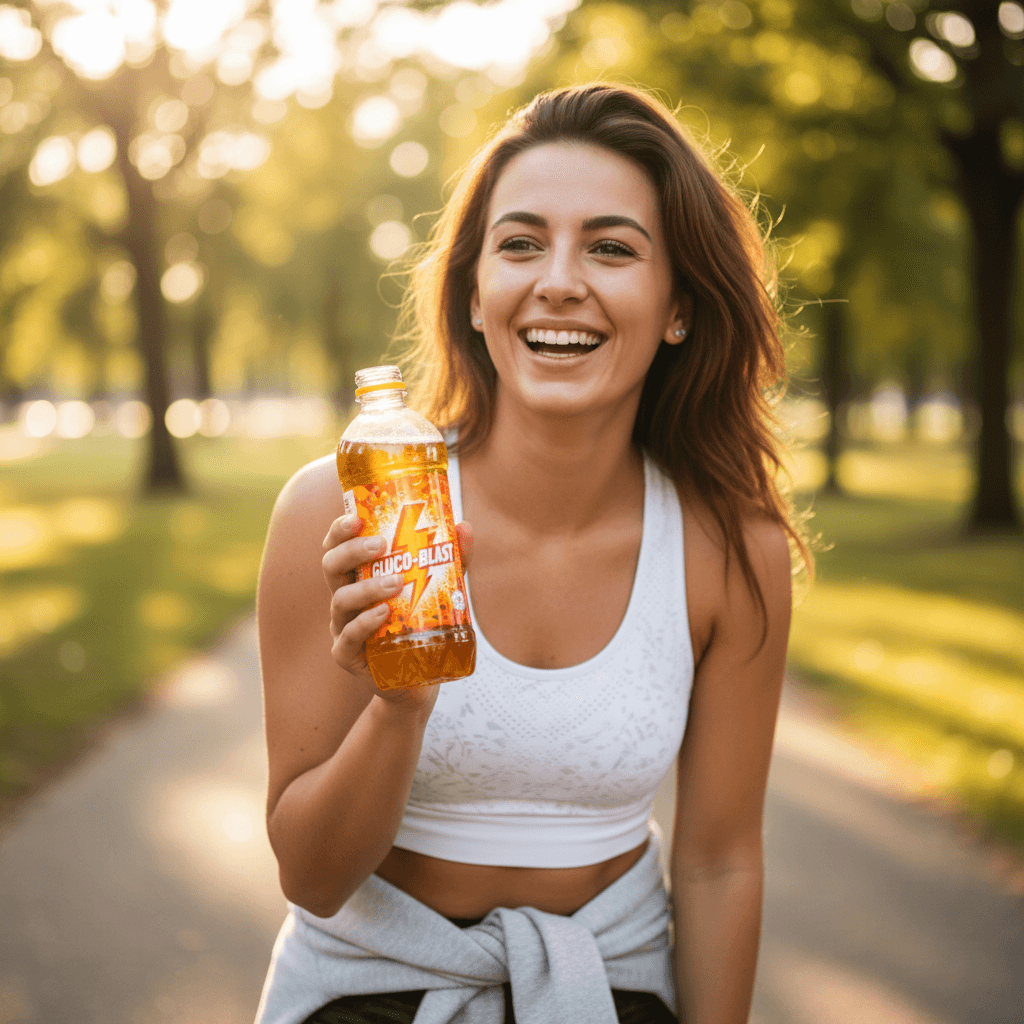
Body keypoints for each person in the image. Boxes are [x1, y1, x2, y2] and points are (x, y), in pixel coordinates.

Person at [254, 83, 811, 1024]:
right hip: (368, 1001)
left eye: (610, 247)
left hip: (612, 995)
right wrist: (401, 706)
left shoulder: (730, 548)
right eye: (520, 244)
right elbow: (311, 877)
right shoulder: (344, 503)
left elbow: (721, 861)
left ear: (678, 305)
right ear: (474, 296)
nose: (559, 279)